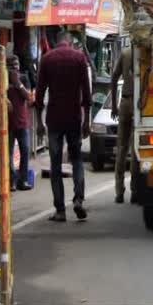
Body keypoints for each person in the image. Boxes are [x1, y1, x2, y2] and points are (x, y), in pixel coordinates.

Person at [36, 30, 92, 222]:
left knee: (55, 164)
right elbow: (87, 92)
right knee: (76, 161)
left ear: (57, 41)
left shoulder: (47, 59)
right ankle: (78, 200)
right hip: (74, 118)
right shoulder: (79, 58)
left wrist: (39, 123)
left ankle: (60, 210)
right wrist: (87, 122)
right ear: (69, 41)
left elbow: (39, 93)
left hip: (54, 119)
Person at [111, 44, 139, 204]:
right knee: (135, 150)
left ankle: (119, 191)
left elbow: (114, 77)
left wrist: (115, 104)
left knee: (121, 149)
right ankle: (134, 190)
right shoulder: (144, 53)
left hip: (125, 101)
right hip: (138, 103)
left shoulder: (125, 53)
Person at [7, 55, 33, 191]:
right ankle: (11, 181)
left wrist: (18, 84)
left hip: (22, 122)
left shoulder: (23, 78)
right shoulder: (3, 79)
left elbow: (29, 98)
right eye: (12, 66)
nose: (15, 68)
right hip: (7, 123)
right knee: (8, 153)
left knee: (25, 151)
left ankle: (22, 181)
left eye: (16, 65)